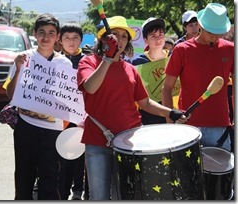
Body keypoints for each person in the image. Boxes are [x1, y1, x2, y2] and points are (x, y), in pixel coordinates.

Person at [76, 15, 189, 200]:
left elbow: (144, 102)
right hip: (97, 141)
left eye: (123, 36)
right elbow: (90, 87)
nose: (119, 40)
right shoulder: (88, 62)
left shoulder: (130, 70)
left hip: (129, 144)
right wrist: (107, 59)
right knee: (98, 197)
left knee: (125, 196)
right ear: (103, 39)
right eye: (113, 35)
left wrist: (171, 112)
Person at [5, 13, 73, 200]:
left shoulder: (64, 63)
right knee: (23, 177)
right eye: (41, 32)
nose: (46, 37)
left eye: (51, 33)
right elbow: (10, 95)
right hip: (26, 125)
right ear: (34, 33)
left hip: (53, 129)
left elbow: (69, 99)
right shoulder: (23, 58)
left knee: (50, 180)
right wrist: (19, 70)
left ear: (57, 36)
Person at [161, 3, 234, 151]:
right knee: (188, 174)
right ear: (200, 26)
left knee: (221, 174)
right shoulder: (182, 50)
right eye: (210, 32)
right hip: (187, 127)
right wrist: (170, 122)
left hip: (220, 126)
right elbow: (166, 88)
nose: (215, 36)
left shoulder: (231, 49)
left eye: (218, 32)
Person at [58, 22, 87, 200]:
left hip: (83, 117)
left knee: (81, 156)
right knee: (63, 156)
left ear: (81, 40)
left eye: (75, 38)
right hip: (60, 117)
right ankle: (62, 191)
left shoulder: (87, 61)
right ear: (60, 41)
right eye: (67, 38)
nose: (71, 41)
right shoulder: (53, 61)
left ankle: (78, 189)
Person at [132, 17, 171, 125]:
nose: (158, 39)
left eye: (161, 35)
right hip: (149, 117)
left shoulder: (173, 57)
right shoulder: (138, 62)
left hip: (174, 112)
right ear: (145, 40)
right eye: (153, 36)